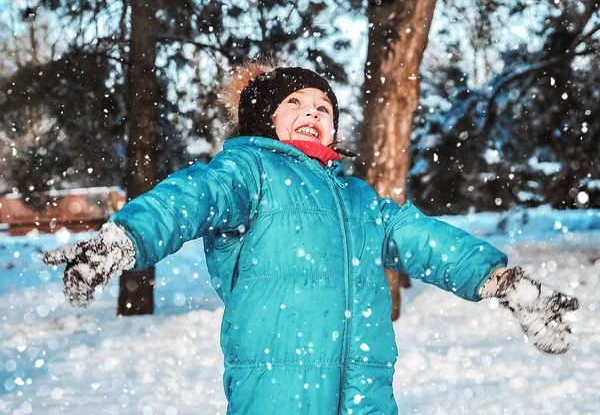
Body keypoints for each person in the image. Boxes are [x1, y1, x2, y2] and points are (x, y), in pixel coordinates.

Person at [44, 60, 579, 415]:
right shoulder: (248, 172)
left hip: (364, 384)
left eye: (323, 109)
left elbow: (424, 239)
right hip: (279, 383)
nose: (313, 114)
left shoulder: (358, 198)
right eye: (296, 105)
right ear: (264, 121)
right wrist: (125, 238)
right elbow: (191, 196)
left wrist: (503, 281)